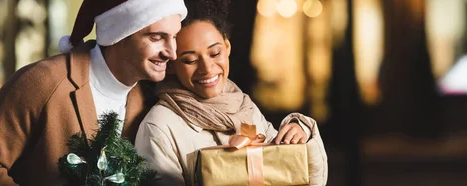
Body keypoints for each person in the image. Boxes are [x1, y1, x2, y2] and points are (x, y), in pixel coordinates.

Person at [134, 0, 328, 185]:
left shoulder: (243, 107)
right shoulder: (158, 127)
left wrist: (300, 131)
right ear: (172, 65)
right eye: (190, 60)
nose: (207, 69)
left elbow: (298, 177)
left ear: (227, 47)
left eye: (215, 53)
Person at [0, 0, 187, 185]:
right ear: (118, 34)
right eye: (156, 37)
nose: (172, 53)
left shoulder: (149, 98)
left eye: (175, 37)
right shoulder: (42, 82)